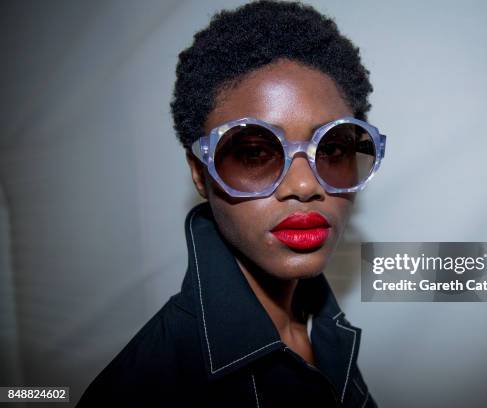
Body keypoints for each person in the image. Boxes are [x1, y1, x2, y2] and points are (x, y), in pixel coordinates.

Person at [77, 1, 385, 406]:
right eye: (255, 153)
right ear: (199, 172)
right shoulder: (142, 387)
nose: (305, 185)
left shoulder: (323, 327)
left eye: (332, 149)